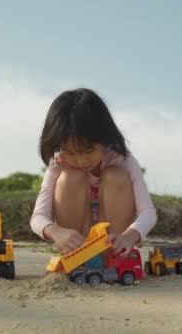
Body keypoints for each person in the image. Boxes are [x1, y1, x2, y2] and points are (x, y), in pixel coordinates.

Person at [30, 88, 157, 257]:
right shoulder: (59, 163)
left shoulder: (122, 160)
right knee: (70, 176)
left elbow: (148, 212)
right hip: (77, 245)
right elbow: (38, 216)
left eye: (88, 151)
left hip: (111, 242)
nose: (81, 160)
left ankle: (110, 256)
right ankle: (75, 256)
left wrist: (129, 237)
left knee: (115, 175)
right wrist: (56, 231)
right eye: (71, 152)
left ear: (104, 138)